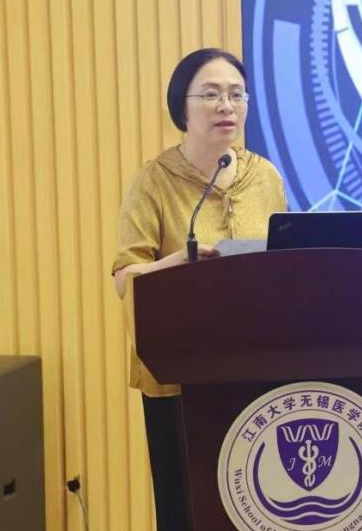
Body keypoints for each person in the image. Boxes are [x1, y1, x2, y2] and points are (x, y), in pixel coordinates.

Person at [110, 48, 286, 530]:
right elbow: (125, 278)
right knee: (186, 511)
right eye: (210, 95)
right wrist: (179, 263)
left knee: (255, 508)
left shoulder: (265, 177)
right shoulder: (154, 180)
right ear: (181, 107)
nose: (226, 106)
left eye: (236, 94)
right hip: (177, 374)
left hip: (255, 369)